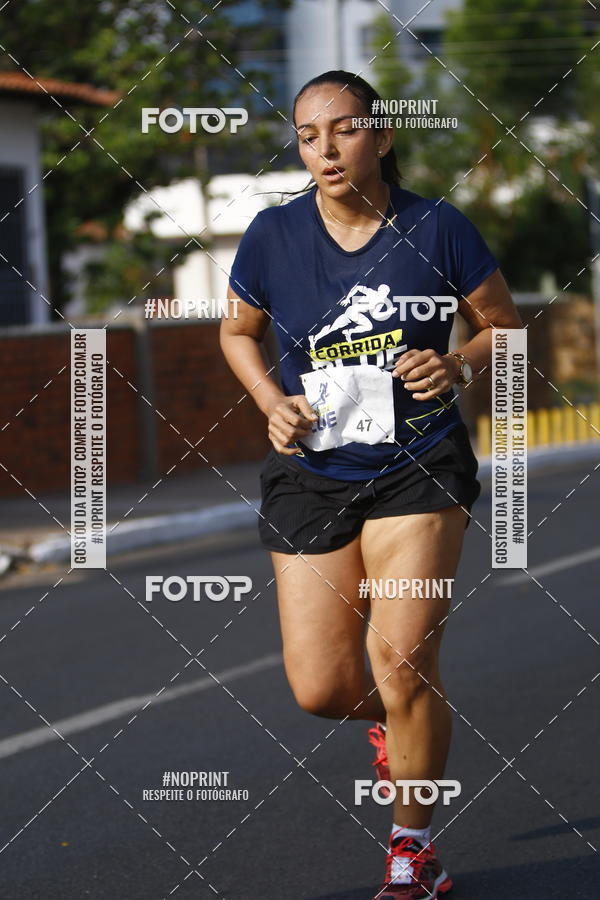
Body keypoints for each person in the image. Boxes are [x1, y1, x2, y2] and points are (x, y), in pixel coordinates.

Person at [220, 70, 522, 899]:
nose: (324, 149)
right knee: (322, 689)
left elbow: (507, 325)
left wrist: (457, 360)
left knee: (402, 668)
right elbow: (237, 330)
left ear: (382, 138)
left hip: (419, 469)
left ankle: (411, 848)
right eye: (308, 135)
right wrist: (269, 400)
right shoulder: (272, 235)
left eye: (344, 130)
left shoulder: (438, 226)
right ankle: (403, 726)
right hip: (310, 475)